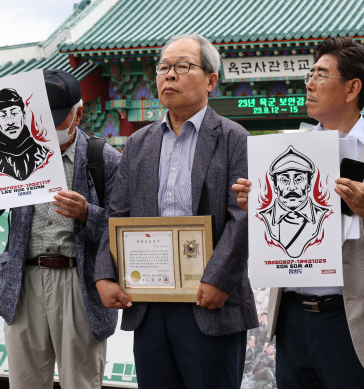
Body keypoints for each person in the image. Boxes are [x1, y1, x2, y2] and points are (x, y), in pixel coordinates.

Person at [233, 36, 364, 388]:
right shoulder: (285, 152)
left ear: (352, 87)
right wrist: (257, 208)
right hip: (293, 317)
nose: (309, 84)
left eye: (320, 75)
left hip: (353, 319)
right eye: (309, 75)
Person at [94, 34, 258, 389]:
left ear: (211, 80)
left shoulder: (234, 138)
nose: (169, 76)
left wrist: (218, 279)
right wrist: (104, 274)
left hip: (211, 300)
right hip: (150, 302)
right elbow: (117, 214)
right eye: (163, 68)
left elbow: (242, 215)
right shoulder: (139, 143)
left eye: (182, 67)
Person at [0, 69, 122, 389]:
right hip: (24, 279)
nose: (50, 126)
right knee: (25, 381)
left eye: (59, 118)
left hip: (80, 281)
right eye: (44, 117)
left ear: (79, 113)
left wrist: (86, 213)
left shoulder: (102, 158)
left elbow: (123, 227)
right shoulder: (7, 150)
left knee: (81, 381)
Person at [258, 146, 329, 257]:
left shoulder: (326, 216)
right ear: (275, 186)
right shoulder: (260, 218)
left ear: (309, 185)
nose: (292, 187)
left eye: (299, 179)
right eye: (284, 180)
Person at [0, 88, 52, 181]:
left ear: (24, 116)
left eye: (14, 113)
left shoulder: (45, 154)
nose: (10, 122)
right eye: (3, 116)